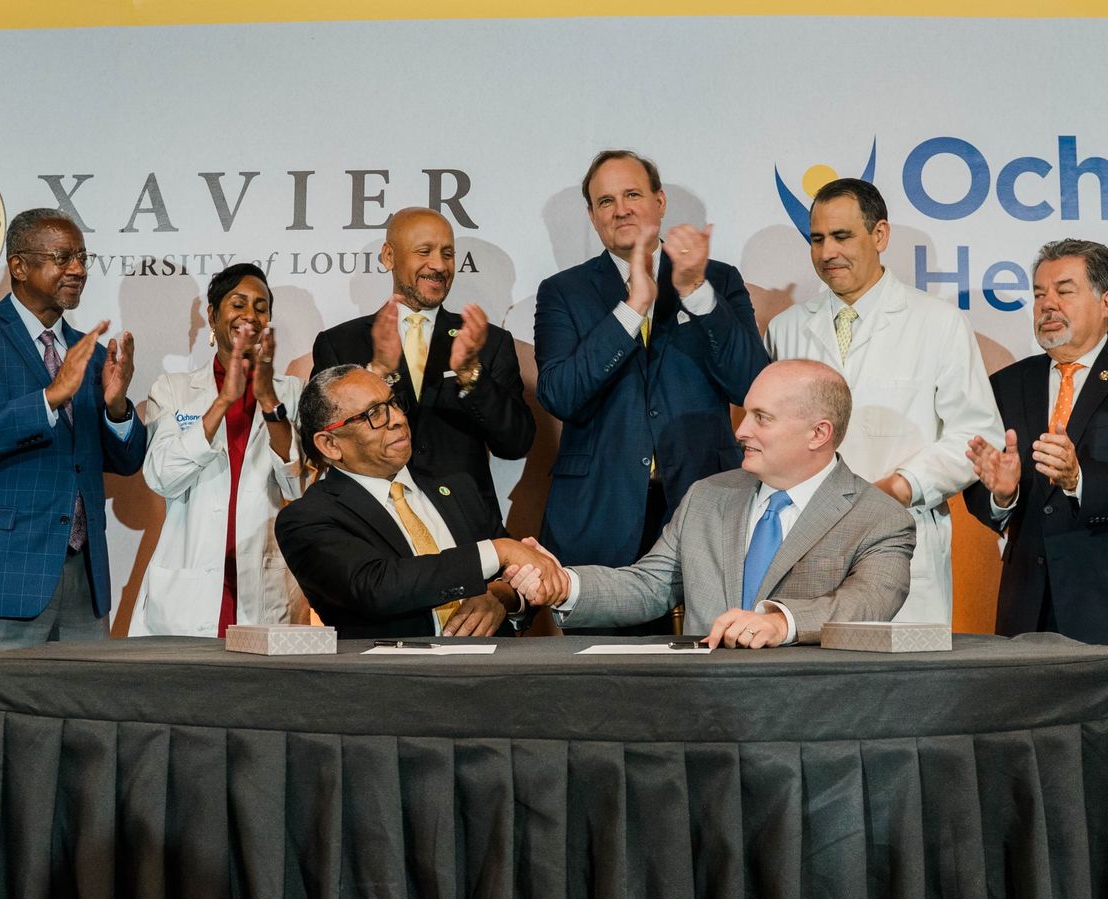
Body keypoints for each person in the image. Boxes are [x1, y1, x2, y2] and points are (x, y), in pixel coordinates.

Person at [0, 208, 146, 877]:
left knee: (77, 761)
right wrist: (49, 398)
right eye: (58, 257)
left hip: (80, 588)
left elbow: (125, 463)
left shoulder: (94, 350)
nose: (74, 269)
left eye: (80, 257)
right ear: (18, 265)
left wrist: (114, 408)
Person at [509, 360, 914, 645]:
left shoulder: (880, 519)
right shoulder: (708, 495)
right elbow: (649, 585)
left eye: (762, 418)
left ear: (818, 433)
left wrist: (781, 623)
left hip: (808, 718)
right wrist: (565, 586)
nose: (741, 431)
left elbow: (867, 603)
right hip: (703, 714)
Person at [965, 239, 1108, 739]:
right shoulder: (1008, 384)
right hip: (1030, 615)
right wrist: (1003, 495)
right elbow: (984, 491)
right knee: (1034, 778)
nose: (1048, 305)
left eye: (1064, 291)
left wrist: (1079, 477)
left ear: (1107, 301)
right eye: (1039, 293)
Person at [533, 150, 771, 620]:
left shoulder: (718, 280)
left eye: (632, 194)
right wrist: (634, 306)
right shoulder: (563, 291)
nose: (620, 209)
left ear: (660, 202)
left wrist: (697, 292)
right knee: (607, 680)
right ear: (592, 216)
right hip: (601, 511)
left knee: (711, 664)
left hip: (706, 501)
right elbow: (560, 394)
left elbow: (752, 386)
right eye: (605, 201)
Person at [764, 178, 1003, 625]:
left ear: (880, 236)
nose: (827, 252)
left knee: (903, 686)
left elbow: (976, 437)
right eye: (816, 239)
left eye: (841, 236)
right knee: (808, 683)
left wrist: (898, 487)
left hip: (901, 532)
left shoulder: (939, 323)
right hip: (803, 544)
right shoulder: (785, 329)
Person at [274, 366, 560, 639]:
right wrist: (497, 551)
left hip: (497, 675)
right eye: (375, 413)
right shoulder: (307, 518)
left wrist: (501, 596)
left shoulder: (457, 487)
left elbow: (522, 573)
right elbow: (377, 587)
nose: (398, 418)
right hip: (398, 683)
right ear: (330, 444)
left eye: (394, 403)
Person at [311, 207, 533, 522]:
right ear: (389, 256)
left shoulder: (488, 342)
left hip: (466, 531)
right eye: (424, 252)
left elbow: (515, 443)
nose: (439, 266)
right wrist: (378, 374)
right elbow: (318, 443)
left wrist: (472, 376)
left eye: (448, 254)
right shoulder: (340, 344)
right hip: (375, 528)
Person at [132, 263, 308, 635]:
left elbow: (297, 486)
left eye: (261, 308)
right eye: (238, 303)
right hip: (189, 583)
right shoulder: (174, 389)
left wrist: (268, 401)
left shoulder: (289, 392)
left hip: (262, 585)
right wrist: (224, 400)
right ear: (213, 315)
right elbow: (162, 477)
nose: (250, 315)